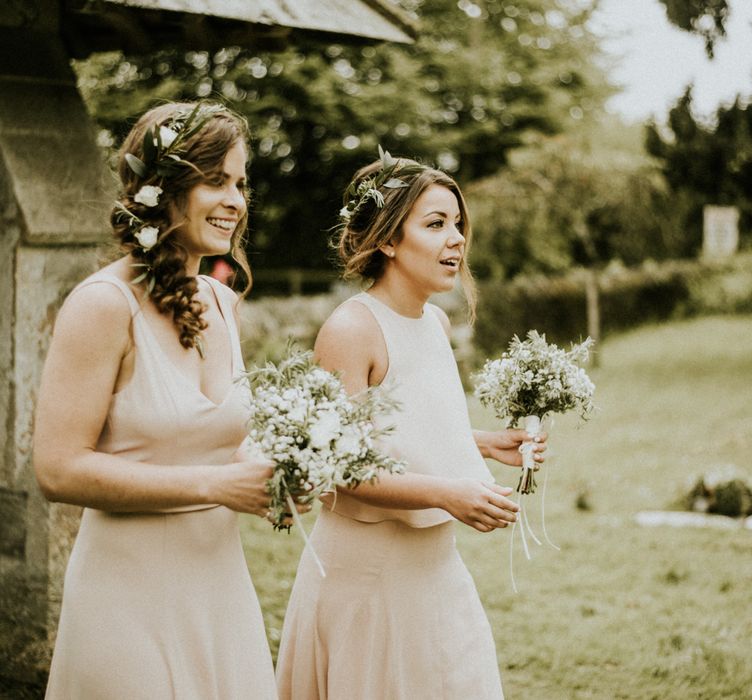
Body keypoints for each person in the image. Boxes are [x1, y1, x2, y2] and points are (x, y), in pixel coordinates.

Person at [34, 101, 283, 699]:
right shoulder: (101, 306)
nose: (235, 200)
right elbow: (57, 467)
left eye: (241, 184)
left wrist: (280, 472)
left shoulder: (222, 303)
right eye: (215, 181)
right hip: (127, 599)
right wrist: (215, 488)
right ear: (163, 187)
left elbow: (228, 439)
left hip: (220, 591)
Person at [275, 152, 547, 699]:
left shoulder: (435, 321)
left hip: (435, 573)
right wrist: (448, 494)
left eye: (458, 224)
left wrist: (484, 443)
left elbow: (404, 434)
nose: (457, 240)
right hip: (367, 579)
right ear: (388, 240)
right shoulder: (352, 330)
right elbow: (337, 469)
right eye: (435, 224)